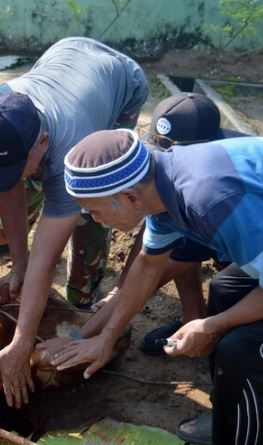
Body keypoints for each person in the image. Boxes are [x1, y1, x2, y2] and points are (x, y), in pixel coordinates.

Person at [53, 129, 263, 445]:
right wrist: (105, 337)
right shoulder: (161, 189)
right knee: (224, 289)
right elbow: (148, 265)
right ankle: (231, 415)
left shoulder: (209, 198)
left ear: (130, 197)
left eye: (94, 211)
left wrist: (212, 325)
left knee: (245, 352)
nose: (94, 220)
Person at [0, 37, 149, 408]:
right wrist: (18, 264)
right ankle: (19, 221)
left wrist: (22, 344)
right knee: (26, 180)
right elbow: (10, 187)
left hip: (121, 83)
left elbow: (45, 259)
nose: (10, 176)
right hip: (66, 55)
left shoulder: (71, 144)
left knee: (94, 208)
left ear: (43, 142)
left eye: (20, 163)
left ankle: (83, 296)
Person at [87, 92, 247, 358]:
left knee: (229, 288)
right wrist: (90, 330)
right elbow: (151, 257)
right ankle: (191, 316)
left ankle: (224, 336)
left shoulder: (220, 188)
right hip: (207, 217)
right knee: (178, 240)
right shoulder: (164, 179)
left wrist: (214, 326)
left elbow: (153, 272)